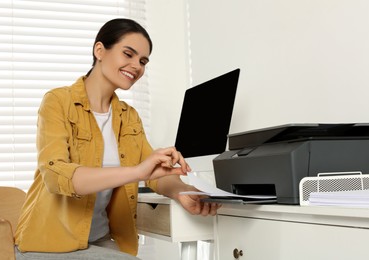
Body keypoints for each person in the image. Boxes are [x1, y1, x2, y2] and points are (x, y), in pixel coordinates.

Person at [14, 18, 220, 260]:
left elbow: (155, 175)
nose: (137, 66)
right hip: (49, 243)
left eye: (143, 61)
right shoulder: (58, 101)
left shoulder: (128, 117)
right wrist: (139, 171)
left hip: (100, 240)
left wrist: (184, 191)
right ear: (99, 50)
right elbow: (56, 176)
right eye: (128, 54)